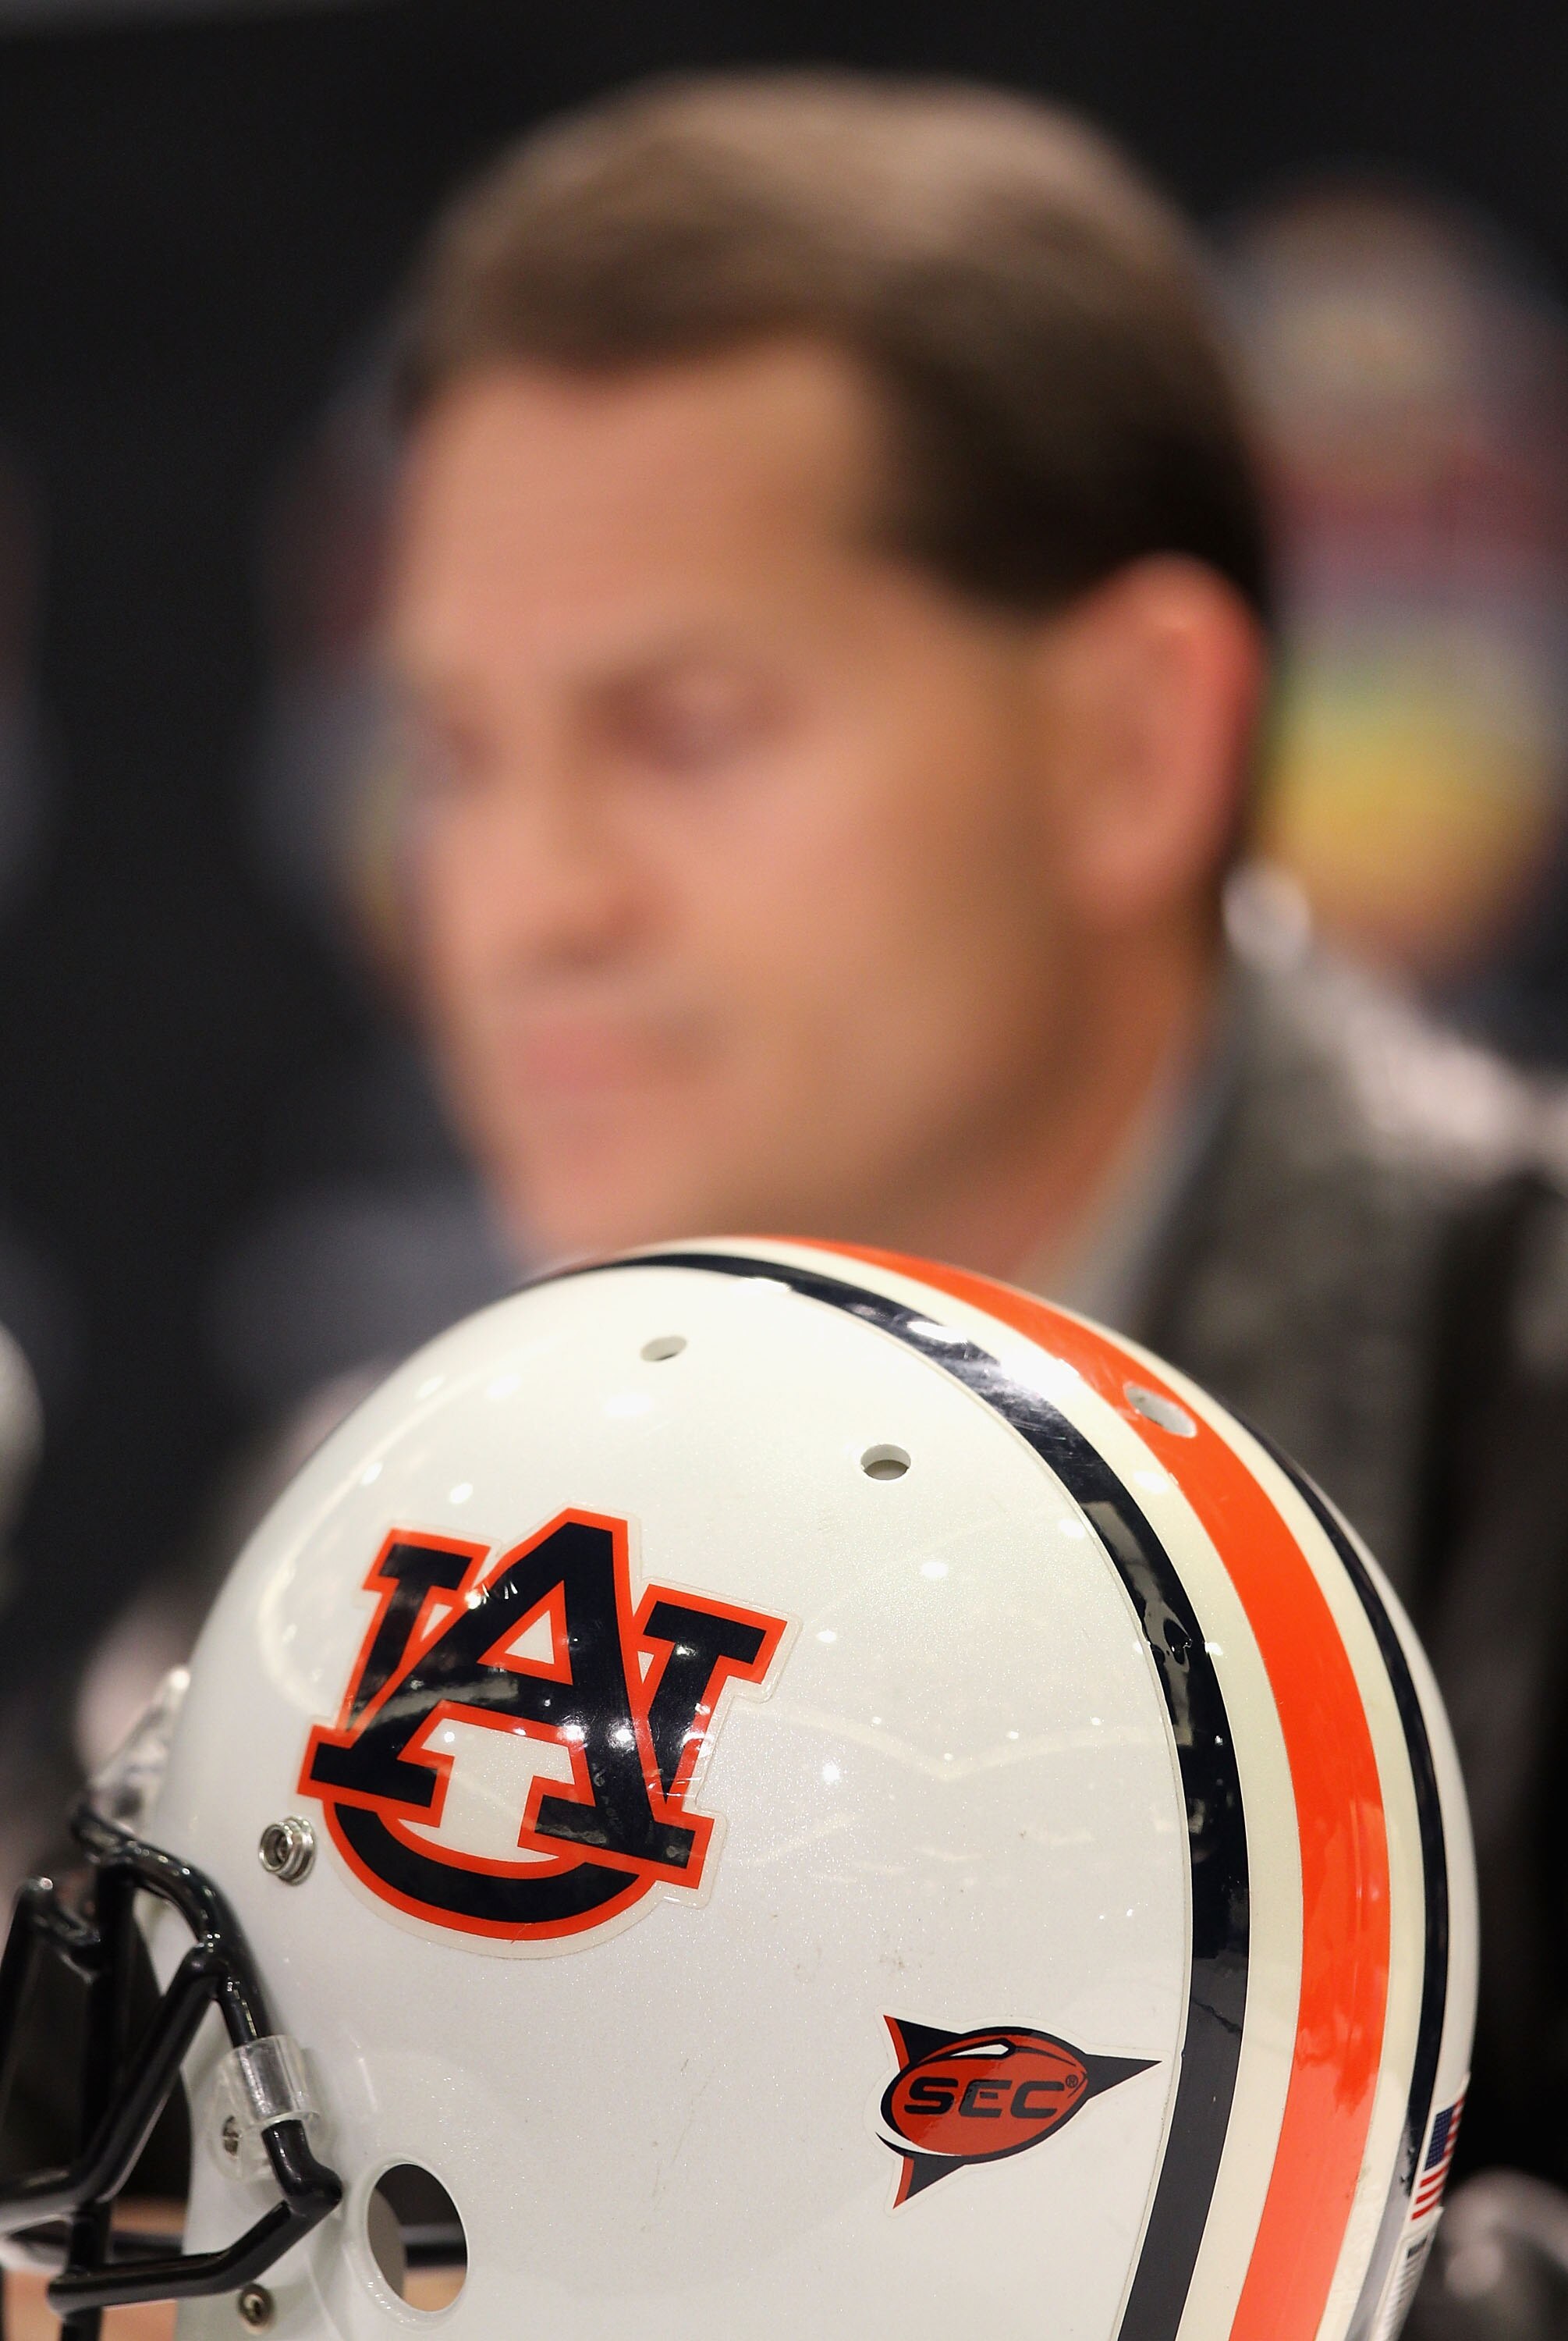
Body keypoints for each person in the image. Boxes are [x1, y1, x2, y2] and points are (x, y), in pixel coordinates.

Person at [377, 74, 1568, 2246]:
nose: (519, 896)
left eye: (683, 726)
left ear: (1130, 744)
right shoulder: (382, 1521)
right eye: (457, 750)